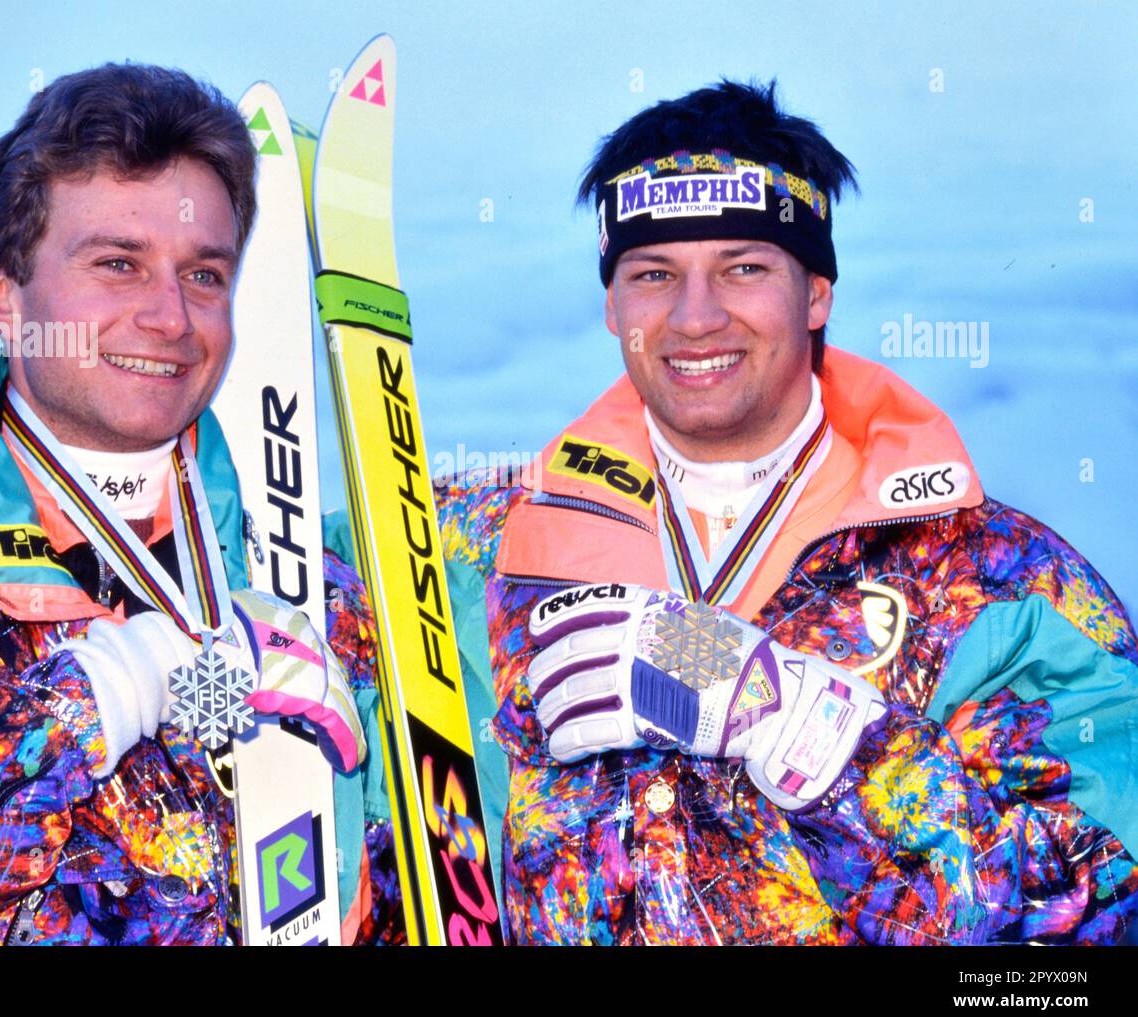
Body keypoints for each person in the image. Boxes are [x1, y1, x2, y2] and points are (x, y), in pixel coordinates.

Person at [426, 79, 1138, 943]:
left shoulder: (1000, 584)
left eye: (744, 268)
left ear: (817, 295)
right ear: (613, 307)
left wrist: (814, 729)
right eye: (654, 275)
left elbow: (1098, 909)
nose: (696, 317)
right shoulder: (480, 546)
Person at [0, 63, 374, 945]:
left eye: (204, 275)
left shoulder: (324, 580)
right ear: (2, 294)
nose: (170, 316)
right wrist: (132, 674)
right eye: (118, 265)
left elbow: (526, 552)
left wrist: (678, 652)